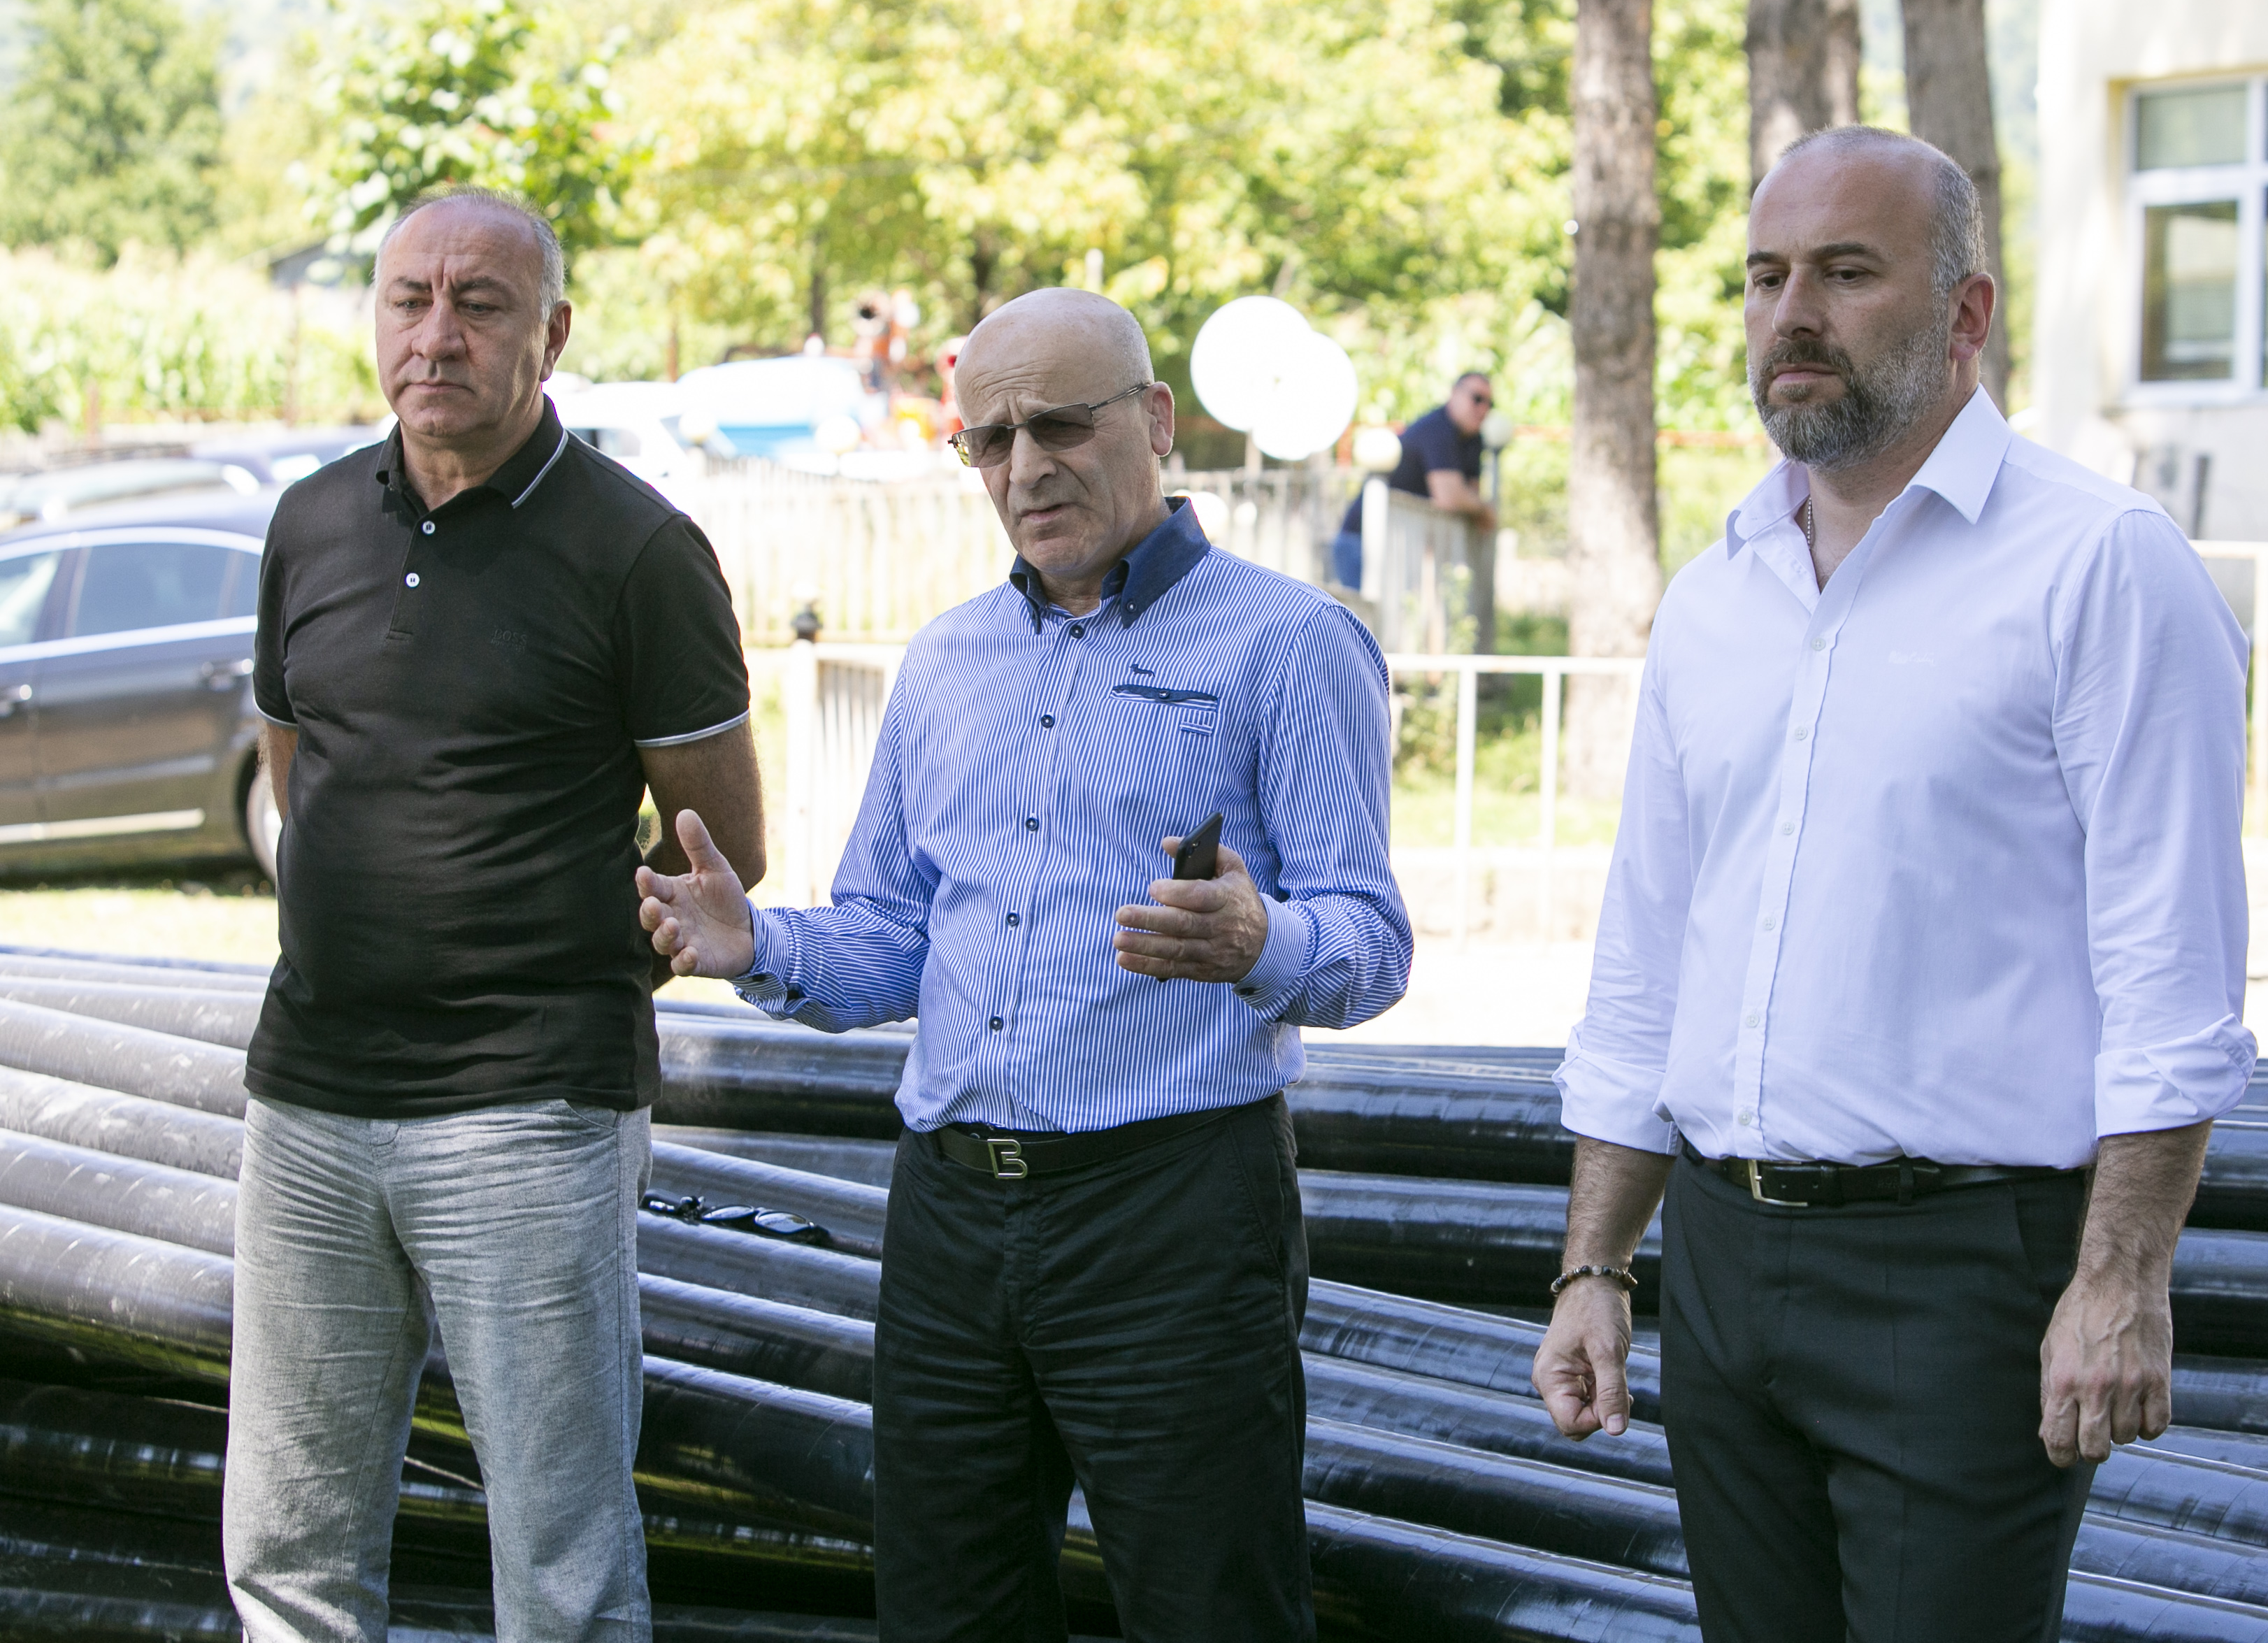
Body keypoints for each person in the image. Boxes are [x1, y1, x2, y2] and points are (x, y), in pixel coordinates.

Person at [1531, 127, 2252, 1643]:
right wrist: (1596, 1264)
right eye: (1765, 277)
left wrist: (2119, 1279)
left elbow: (2170, 978)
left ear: (1966, 312)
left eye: (1847, 273)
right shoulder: (1713, 597)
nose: (1792, 314)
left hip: (1961, 1277)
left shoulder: (2100, 566)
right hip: (1719, 1265)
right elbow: (1647, 962)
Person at [636, 287, 1410, 1642]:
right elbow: (895, 935)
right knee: (947, 1610)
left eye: (1059, 424)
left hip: (1170, 1212)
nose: (1024, 466)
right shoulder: (946, 662)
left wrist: (1259, 941)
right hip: (948, 1217)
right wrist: (759, 945)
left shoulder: (1287, 643)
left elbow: (1372, 941)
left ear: (1156, 421)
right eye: (988, 440)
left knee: (1210, 1609)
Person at [225, 186, 763, 1641]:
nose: (437, 335)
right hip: (311, 1097)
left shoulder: (639, 550)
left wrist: (536, 964)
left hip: (530, 1113)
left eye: (480, 304)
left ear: (554, 333)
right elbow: (299, 773)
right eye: (409, 299)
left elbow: (719, 851)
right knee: (286, 1547)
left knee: (560, 1559)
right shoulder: (310, 521)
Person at [1331, 371, 1495, 593]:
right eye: (1477, 399)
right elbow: (1449, 497)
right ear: (1454, 394)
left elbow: (1469, 495)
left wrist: (1475, 506)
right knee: (1363, 613)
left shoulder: (1474, 440)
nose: (1483, 409)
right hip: (1361, 542)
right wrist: (1484, 509)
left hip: (1398, 546)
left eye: (1489, 404)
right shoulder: (1437, 428)